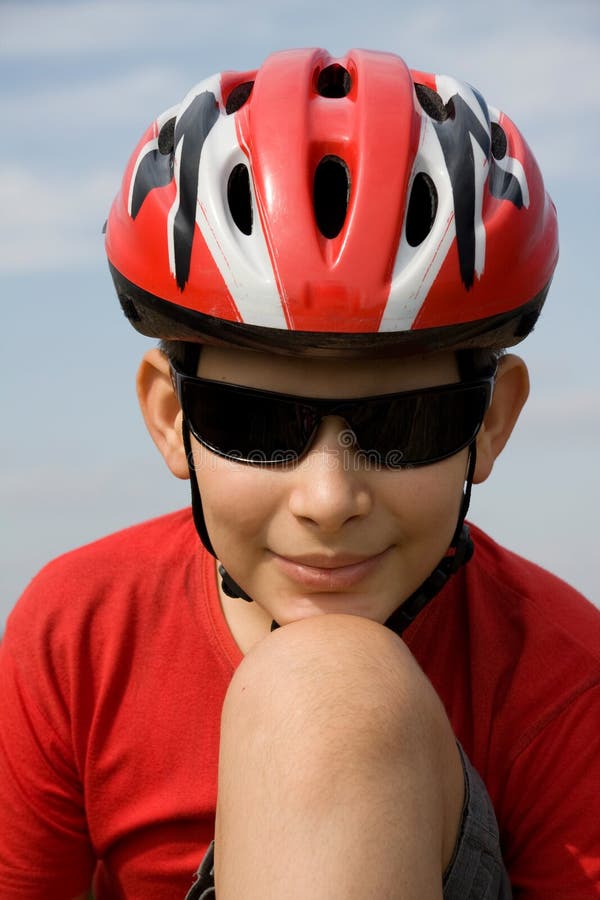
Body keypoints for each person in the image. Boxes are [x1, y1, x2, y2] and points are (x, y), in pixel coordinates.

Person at [0, 47, 598, 900]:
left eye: (404, 424)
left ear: (491, 423)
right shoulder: (75, 640)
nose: (328, 500)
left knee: (328, 699)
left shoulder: (565, 678)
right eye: (255, 424)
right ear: (172, 420)